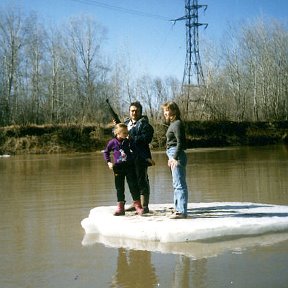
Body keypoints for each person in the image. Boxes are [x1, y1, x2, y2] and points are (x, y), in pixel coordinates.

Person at [103, 123, 144, 216]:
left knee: (133, 186)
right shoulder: (112, 142)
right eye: (124, 132)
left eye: (127, 132)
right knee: (119, 188)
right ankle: (120, 207)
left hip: (130, 167)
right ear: (117, 132)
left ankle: (138, 206)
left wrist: (146, 158)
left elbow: (136, 150)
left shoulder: (129, 141)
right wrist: (109, 162)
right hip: (118, 168)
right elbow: (106, 152)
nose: (126, 134)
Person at [124, 101, 154, 214]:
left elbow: (146, 138)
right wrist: (116, 127)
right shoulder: (125, 123)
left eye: (136, 111)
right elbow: (117, 134)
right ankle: (136, 203)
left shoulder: (146, 125)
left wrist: (131, 137)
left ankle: (144, 206)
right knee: (132, 181)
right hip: (128, 157)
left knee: (142, 180)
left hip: (141, 156)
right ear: (129, 112)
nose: (134, 113)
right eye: (132, 111)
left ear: (140, 112)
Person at [161, 101, 188, 219]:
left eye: (167, 110)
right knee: (176, 183)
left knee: (179, 184)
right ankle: (177, 208)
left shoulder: (177, 124)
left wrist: (175, 157)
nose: (165, 113)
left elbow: (180, 142)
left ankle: (182, 211)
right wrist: (171, 157)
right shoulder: (173, 124)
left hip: (176, 155)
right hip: (172, 154)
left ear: (174, 111)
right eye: (164, 111)